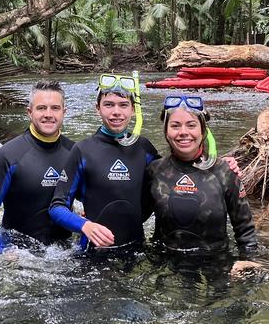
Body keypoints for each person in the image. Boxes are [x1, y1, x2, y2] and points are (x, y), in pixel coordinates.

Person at [49, 74, 160, 250]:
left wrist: (214, 162)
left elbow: (172, 176)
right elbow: (57, 207)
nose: (116, 112)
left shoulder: (144, 148)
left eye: (123, 105)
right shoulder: (83, 150)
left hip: (136, 249)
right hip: (93, 254)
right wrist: (85, 225)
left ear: (133, 109)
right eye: (109, 105)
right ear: (97, 108)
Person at [146, 95, 257, 267]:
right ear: (166, 132)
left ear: (203, 131)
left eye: (191, 125)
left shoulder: (224, 171)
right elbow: (135, 216)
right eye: (175, 126)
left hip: (216, 262)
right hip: (166, 264)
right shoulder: (155, 170)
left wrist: (248, 263)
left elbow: (245, 230)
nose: (183, 132)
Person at [0, 80, 73, 253]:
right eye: (41, 108)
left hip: (64, 251)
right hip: (20, 252)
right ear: (30, 112)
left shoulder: (75, 153)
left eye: (55, 108)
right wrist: (0, 251)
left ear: (64, 112)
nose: (48, 114)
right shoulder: (8, 155)